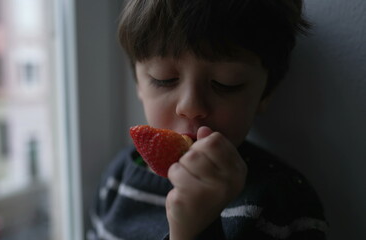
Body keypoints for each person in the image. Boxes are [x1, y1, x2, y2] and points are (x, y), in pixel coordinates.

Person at [89, 0, 328, 239]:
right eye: (164, 79)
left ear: (266, 93)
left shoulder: (283, 203)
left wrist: (196, 230)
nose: (191, 106)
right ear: (139, 84)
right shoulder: (117, 179)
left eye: (226, 83)